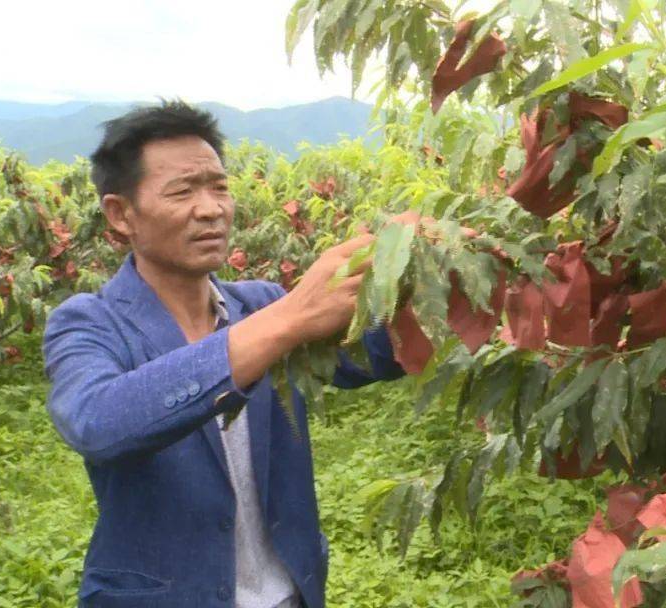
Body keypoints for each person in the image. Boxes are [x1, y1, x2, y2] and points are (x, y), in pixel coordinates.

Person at [42, 100, 405, 608]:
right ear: (121, 214)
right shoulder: (90, 321)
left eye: (219, 186)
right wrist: (290, 317)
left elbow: (374, 355)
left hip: (287, 594)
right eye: (183, 191)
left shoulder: (259, 304)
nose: (211, 208)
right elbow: (98, 422)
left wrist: (431, 264)